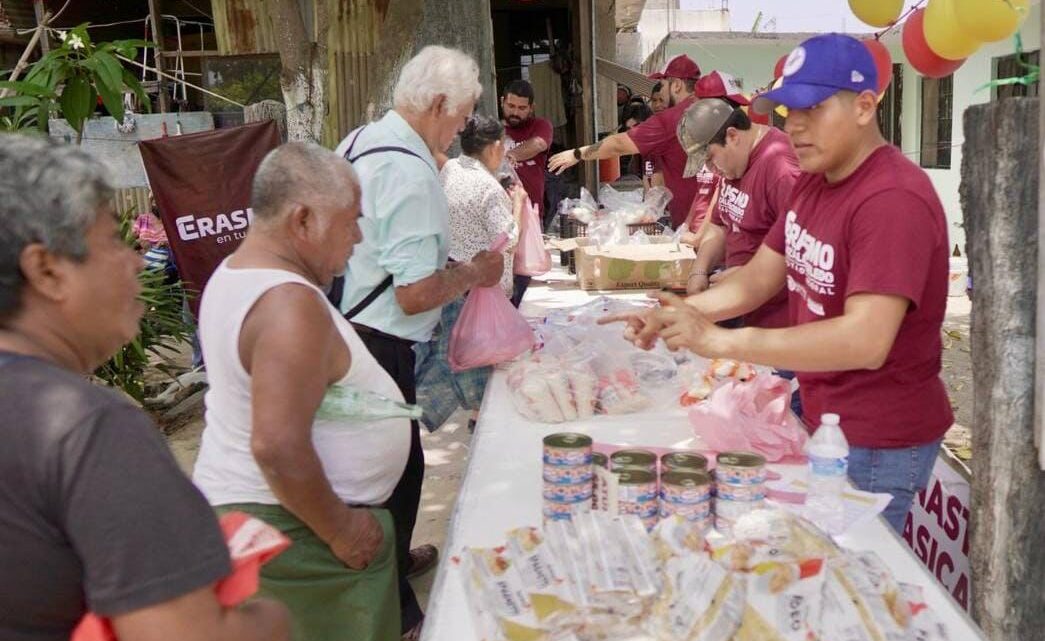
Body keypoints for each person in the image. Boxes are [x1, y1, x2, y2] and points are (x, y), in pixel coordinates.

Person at [604, 34, 953, 533]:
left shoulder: (891, 199)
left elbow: (866, 340)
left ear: (864, 106)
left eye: (812, 108)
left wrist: (723, 340)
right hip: (825, 416)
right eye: (788, 111)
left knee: (847, 576)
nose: (796, 125)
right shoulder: (817, 179)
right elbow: (757, 280)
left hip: (880, 437)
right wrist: (685, 312)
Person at [0, 135, 289, 641]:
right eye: (112, 241)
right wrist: (271, 622)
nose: (136, 261)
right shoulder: (86, 427)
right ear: (47, 270)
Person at [192, 142, 405, 641]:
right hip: (297, 534)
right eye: (351, 220)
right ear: (303, 220)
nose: (357, 237)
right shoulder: (289, 304)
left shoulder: (239, 272)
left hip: (277, 522)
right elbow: (277, 445)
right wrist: (340, 530)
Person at [331, 45, 503, 640]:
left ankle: (395, 561)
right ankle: (392, 608)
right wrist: (473, 274)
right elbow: (412, 292)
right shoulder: (406, 170)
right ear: (436, 104)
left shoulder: (361, 141)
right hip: (378, 341)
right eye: (460, 116)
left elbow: (380, 251)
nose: (462, 129)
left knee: (389, 460)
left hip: (348, 325)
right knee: (390, 472)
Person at [416, 114, 525, 432]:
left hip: (453, 286)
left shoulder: (448, 171)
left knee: (462, 360)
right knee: (485, 368)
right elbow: (509, 237)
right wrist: (516, 204)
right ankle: (482, 424)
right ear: (494, 148)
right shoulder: (489, 188)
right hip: (483, 291)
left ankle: (476, 419)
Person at [677, 97, 799, 335]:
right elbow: (719, 225)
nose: (710, 170)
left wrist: (747, 276)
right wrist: (699, 270)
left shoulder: (780, 170)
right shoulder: (734, 164)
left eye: (710, 158)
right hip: (741, 310)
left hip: (779, 324)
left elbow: (805, 255)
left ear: (732, 136)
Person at [548, 54, 703, 228]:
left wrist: (577, 153)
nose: (661, 92)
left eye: (664, 85)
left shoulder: (671, 119)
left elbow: (619, 144)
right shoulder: (708, 109)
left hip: (695, 223)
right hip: (711, 218)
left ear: (676, 85)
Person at [678, 71, 750, 248]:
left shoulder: (731, 155)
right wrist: (687, 225)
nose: (732, 112)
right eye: (726, 104)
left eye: (734, 106)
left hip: (713, 242)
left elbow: (719, 200)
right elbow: (700, 192)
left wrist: (699, 238)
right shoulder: (706, 141)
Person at [501, 79, 553, 306]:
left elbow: (539, 144)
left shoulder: (541, 126)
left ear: (531, 107)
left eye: (522, 108)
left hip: (530, 215)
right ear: (503, 102)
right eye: (511, 106)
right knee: (502, 280)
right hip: (500, 218)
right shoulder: (494, 129)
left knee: (525, 278)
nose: (515, 112)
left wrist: (503, 158)